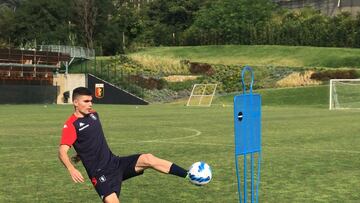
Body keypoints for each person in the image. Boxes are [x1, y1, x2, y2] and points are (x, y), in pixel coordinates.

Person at [58, 87, 189, 203]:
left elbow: (90, 139)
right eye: (86, 101)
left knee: (148, 158)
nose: (90, 104)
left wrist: (80, 154)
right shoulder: (71, 125)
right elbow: (62, 152)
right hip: (100, 174)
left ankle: (189, 175)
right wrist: (71, 168)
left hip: (115, 163)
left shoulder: (94, 115)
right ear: (75, 103)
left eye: (91, 101)